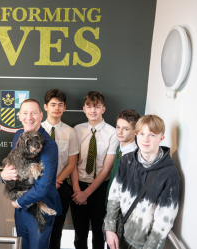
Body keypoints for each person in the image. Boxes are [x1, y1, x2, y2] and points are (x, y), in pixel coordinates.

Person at [105, 115, 181, 249]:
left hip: (143, 244)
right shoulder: (126, 161)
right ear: (136, 135)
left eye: (152, 135)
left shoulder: (170, 174)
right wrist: (109, 229)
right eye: (141, 134)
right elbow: (114, 197)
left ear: (161, 138)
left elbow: (163, 223)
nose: (145, 139)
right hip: (119, 234)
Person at [1, 99, 62, 249]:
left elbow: (42, 188)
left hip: (41, 209)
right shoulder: (18, 135)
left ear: (41, 115)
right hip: (21, 211)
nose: (29, 117)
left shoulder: (49, 145)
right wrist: (4, 176)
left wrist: (19, 202)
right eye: (25, 113)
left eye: (33, 113)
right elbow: (12, 167)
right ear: (19, 116)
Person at [70, 91, 118, 249]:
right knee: (79, 233)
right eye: (89, 107)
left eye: (97, 107)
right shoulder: (76, 130)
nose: (93, 110)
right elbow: (73, 162)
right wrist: (78, 190)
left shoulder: (112, 133)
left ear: (103, 109)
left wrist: (87, 193)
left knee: (99, 233)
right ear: (84, 109)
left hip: (100, 189)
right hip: (78, 186)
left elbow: (107, 168)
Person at [41, 89, 79, 248]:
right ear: (45, 107)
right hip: (39, 188)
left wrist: (56, 181)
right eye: (53, 104)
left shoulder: (71, 132)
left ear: (64, 108)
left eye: (60, 105)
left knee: (57, 231)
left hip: (61, 186)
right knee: (40, 230)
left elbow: (72, 164)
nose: (56, 108)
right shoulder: (38, 130)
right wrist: (45, 184)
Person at [105, 109, 141, 208]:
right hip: (110, 202)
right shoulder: (118, 149)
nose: (119, 132)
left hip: (121, 209)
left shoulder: (135, 157)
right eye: (118, 127)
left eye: (125, 129)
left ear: (135, 132)